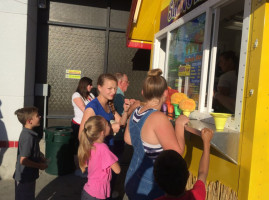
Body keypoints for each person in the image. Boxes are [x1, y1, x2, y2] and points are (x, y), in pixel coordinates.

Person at [124, 68, 189, 200]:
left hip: (132, 178)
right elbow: (176, 154)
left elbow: (128, 139)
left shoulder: (136, 112)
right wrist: (179, 125)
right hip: (149, 187)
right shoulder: (158, 118)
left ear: (143, 92)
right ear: (166, 92)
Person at [153, 128, 214, 200]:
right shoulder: (196, 196)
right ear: (188, 174)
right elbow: (203, 172)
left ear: (157, 182)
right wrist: (206, 143)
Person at [78, 73, 133, 149]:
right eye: (109, 88)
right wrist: (109, 129)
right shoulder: (93, 107)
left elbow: (121, 123)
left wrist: (126, 111)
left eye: (115, 88)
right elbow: (81, 135)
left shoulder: (109, 104)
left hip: (108, 150)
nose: (113, 92)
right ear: (100, 88)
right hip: (97, 154)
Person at [78, 115, 121, 200]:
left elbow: (86, 165)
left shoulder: (89, 145)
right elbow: (117, 170)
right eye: (107, 124)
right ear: (102, 132)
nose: (110, 125)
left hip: (88, 191)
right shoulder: (103, 148)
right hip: (97, 194)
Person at [13, 107, 48, 200]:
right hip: (24, 178)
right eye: (37, 116)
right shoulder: (28, 137)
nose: (40, 117)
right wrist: (39, 166)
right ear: (29, 121)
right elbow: (23, 160)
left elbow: (30, 151)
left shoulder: (29, 134)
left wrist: (40, 157)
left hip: (28, 177)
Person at [71, 77, 93, 176]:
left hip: (89, 125)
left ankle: (87, 166)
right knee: (79, 147)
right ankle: (79, 168)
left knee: (88, 147)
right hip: (78, 124)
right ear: (85, 85)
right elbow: (84, 109)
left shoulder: (91, 95)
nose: (92, 87)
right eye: (90, 85)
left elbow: (98, 106)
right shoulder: (76, 95)